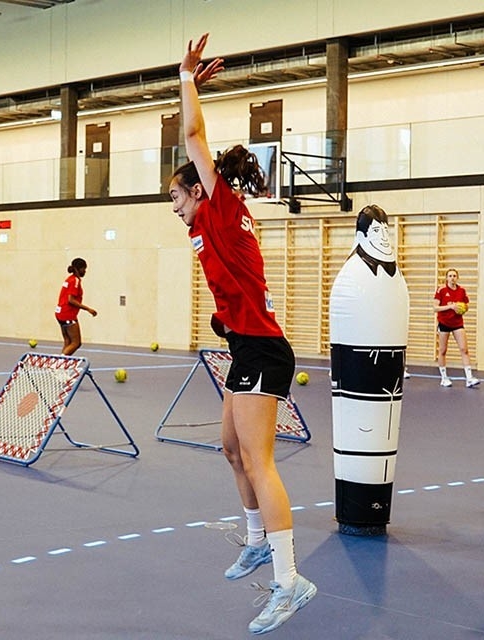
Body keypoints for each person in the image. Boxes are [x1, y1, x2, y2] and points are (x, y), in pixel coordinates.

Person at [168, 33, 316, 635]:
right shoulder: (208, 227)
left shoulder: (223, 209)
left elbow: (194, 138)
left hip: (262, 350)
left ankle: (289, 581)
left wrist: (187, 80)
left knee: (259, 460)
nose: (173, 207)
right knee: (231, 448)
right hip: (243, 345)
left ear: (201, 190)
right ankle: (257, 541)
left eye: (176, 196)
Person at [434, 268, 479, 388]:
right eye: (450, 276)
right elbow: (435, 308)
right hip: (444, 323)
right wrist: (451, 307)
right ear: (446, 278)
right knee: (442, 351)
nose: (452, 278)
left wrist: (462, 308)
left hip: (457, 323)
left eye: (454, 276)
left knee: (464, 349)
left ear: (457, 277)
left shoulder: (462, 291)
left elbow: (466, 305)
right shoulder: (441, 290)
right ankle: (444, 378)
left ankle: (469, 378)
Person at [54, 257, 97, 356]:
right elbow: (71, 300)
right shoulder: (75, 281)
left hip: (60, 313)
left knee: (68, 341)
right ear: (78, 269)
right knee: (76, 343)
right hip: (67, 314)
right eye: (84, 269)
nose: (85, 271)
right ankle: (58, 363)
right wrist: (88, 309)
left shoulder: (69, 279)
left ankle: (62, 366)